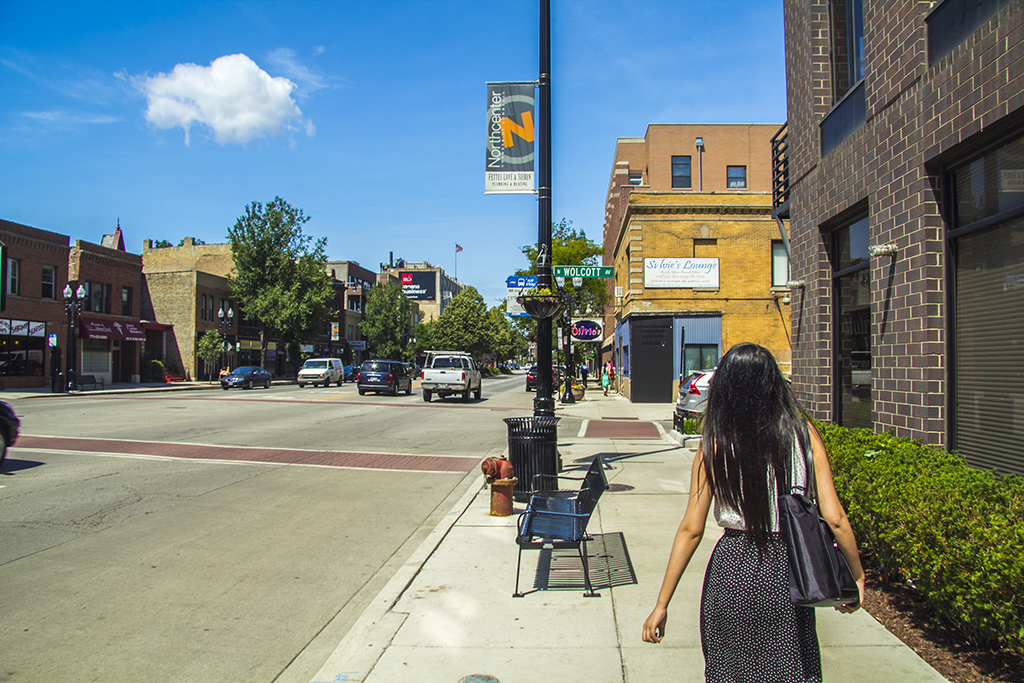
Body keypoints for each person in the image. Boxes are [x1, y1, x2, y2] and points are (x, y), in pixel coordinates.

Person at [642, 342, 865, 682]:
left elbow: (691, 528)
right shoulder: (804, 435)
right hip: (789, 570)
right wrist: (856, 577)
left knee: (731, 670)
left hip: (732, 569)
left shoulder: (714, 443)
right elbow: (835, 517)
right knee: (790, 667)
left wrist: (662, 604)